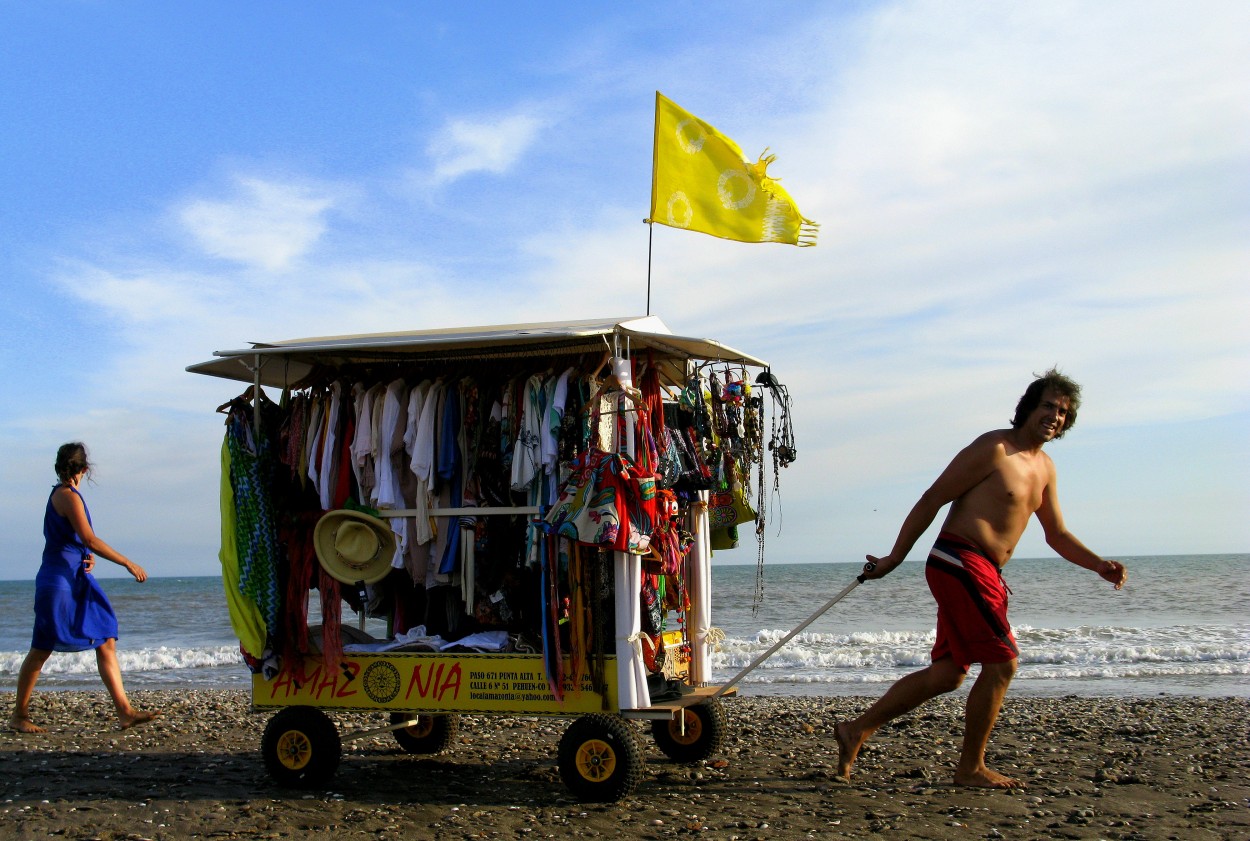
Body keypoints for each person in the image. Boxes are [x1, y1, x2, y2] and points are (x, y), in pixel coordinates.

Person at [836, 368, 1127, 788]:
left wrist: (1097, 564)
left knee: (948, 674)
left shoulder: (1044, 467)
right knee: (1003, 664)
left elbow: (1056, 534)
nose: (1055, 416)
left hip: (985, 571)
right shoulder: (995, 448)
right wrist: (895, 557)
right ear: (1029, 407)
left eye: (1063, 411)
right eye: (1048, 405)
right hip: (960, 560)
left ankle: (856, 729)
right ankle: (970, 769)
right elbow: (933, 498)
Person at [8, 443, 160, 733]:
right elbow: (89, 538)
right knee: (41, 648)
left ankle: (125, 711)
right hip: (59, 583)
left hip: (74, 577)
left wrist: (84, 557)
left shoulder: (64, 494)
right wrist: (127, 563)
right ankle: (19, 715)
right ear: (83, 470)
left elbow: (72, 541)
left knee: (106, 636)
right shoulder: (66, 495)